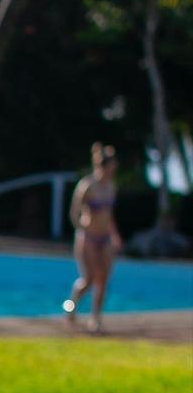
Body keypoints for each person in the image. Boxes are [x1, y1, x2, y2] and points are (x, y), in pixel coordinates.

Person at [63, 142, 122, 333]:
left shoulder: (111, 186)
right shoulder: (88, 185)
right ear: (104, 166)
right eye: (112, 165)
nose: (114, 169)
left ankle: (95, 319)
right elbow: (74, 211)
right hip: (88, 237)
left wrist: (115, 236)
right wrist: (81, 226)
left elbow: (109, 214)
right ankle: (71, 305)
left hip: (104, 238)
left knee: (103, 279)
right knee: (88, 279)